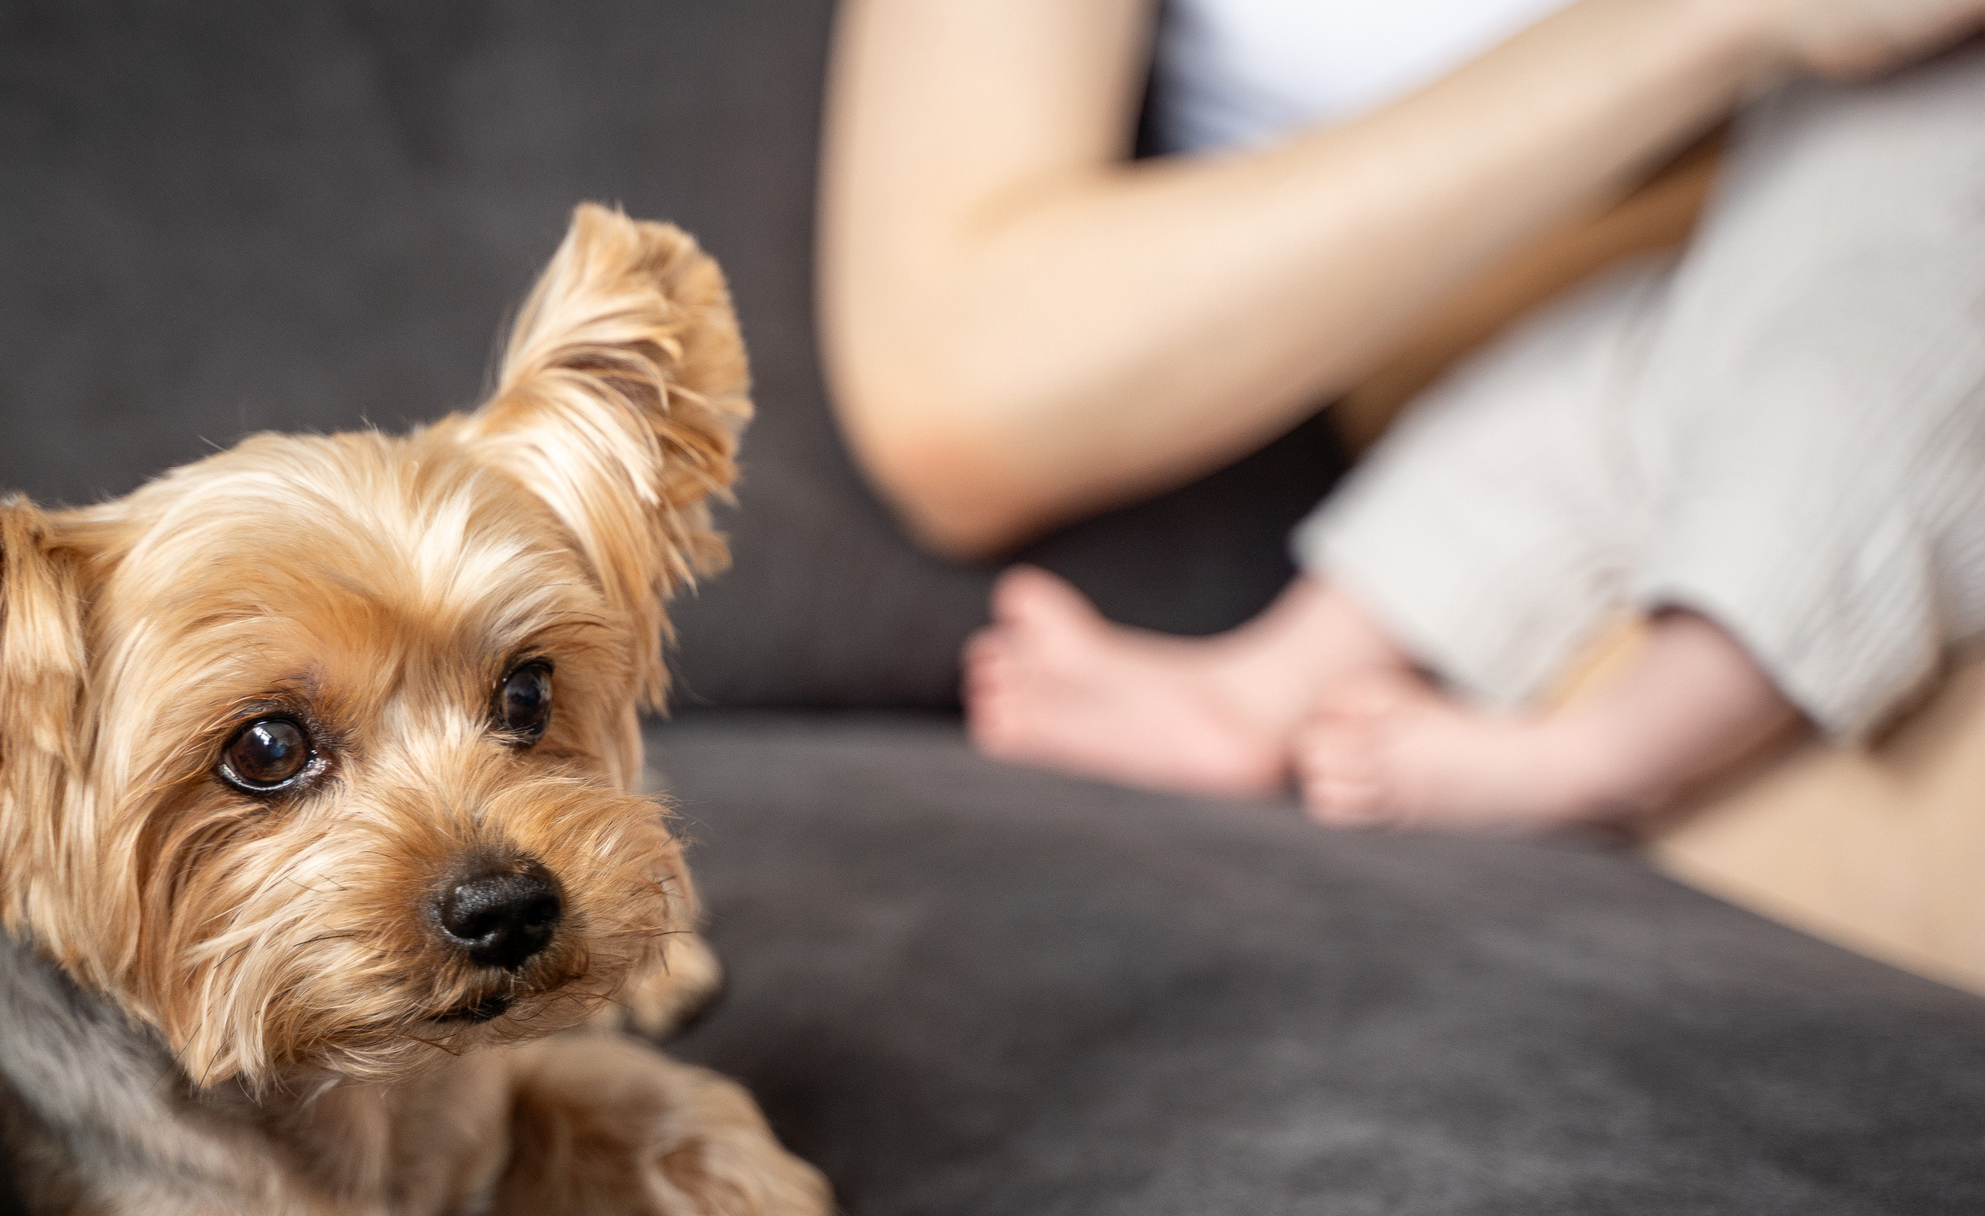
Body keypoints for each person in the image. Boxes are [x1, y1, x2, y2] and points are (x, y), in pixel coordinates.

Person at [820, 0, 1985, 829]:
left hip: (1896, 178)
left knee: (1844, 397)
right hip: (1632, 267)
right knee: (1576, 400)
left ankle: (1601, 759)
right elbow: (951, 392)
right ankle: (1269, 679)